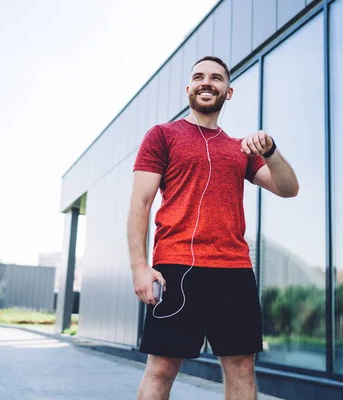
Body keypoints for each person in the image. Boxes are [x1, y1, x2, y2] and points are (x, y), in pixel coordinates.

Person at [127, 55, 299, 400]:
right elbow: (140, 204)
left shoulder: (241, 149)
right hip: (176, 267)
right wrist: (139, 268)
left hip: (234, 270)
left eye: (217, 78)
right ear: (189, 88)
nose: (208, 82)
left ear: (228, 92)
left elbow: (288, 188)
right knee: (161, 367)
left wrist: (271, 151)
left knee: (241, 365)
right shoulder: (162, 135)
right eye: (199, 77)